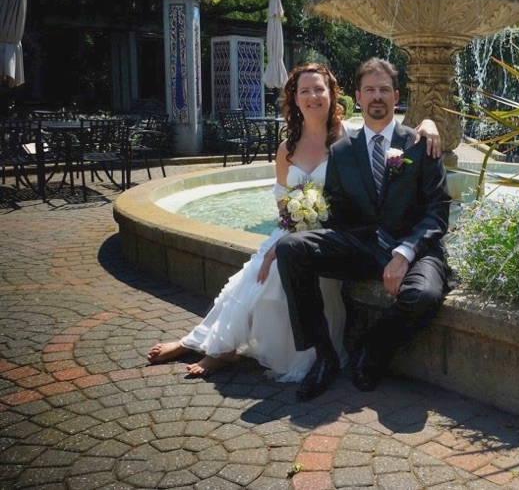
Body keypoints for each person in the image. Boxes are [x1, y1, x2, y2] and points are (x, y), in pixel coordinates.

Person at [146, 62, 442, 381]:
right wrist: (287, 233)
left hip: (369, 239)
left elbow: (428, 199)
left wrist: (429, 122)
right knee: (267, 266)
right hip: (322, 233)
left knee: (277, 265)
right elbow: (291, 203)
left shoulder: (366, 139)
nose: (313, 96)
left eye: (319, 89)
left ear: (334, 96)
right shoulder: (308, 149)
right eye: (305, 91)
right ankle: (219, 345)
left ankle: (366, 351)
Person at [277, 57, 453, 401]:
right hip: (363, 247)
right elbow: (340, 213)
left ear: (396, 96)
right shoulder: (341, 151)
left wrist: (404, 253)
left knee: (424, 295)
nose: (377, 96)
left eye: (384, 90)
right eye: (370, 89)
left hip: (415, 247)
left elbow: (438, 212)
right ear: (357, 96)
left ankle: (372, 350)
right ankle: (324, 357)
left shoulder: (420, 142)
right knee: (291, 249)